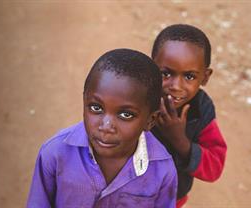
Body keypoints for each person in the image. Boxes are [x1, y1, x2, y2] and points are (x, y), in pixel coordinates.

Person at [27, 49, 177, 208]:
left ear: (150, 120)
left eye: (126, 114)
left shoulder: (162, 170)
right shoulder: (55, 153)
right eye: (96, 107)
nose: (106, 127)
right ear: (84, 101)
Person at [150, 24, 227, 207]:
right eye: (166, 73)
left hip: (169, 200)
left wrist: (180, 141)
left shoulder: (201, 112)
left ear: (205, 77)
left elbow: (214, 167)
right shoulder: (138, 97)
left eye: (190, 76)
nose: (176, 85)